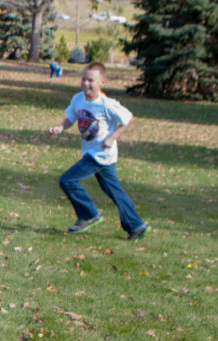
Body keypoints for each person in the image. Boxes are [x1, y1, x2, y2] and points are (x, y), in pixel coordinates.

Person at [48, 62, 148, 240]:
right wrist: (60, 128)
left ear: (102, 82)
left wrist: (112, 137)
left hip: (100, 154)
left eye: (91, 80)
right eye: (84, 79)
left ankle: (89, 214)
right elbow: (71, 117)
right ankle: (136, 225)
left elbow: (128, 118)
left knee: (67, 180)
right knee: (114, 191)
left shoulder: (106, 103)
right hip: (93, 153)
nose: (86, 83)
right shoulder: (78, 99)